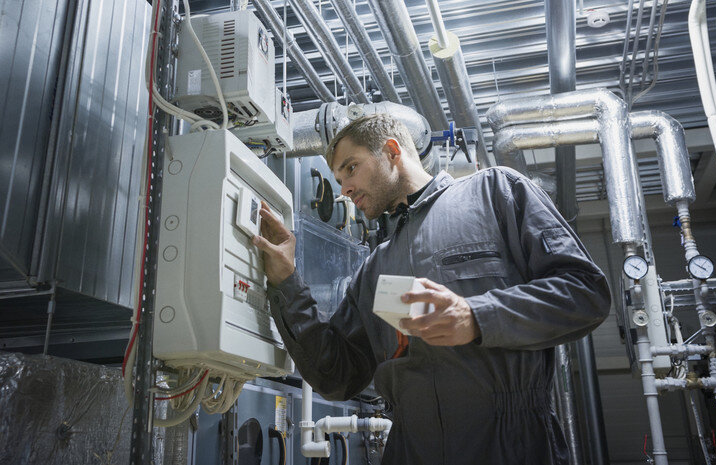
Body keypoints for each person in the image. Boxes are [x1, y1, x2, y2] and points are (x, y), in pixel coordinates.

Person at [252, 113, 611, 465]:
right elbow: (334, 375)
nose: (344, 188)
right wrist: (287, 280)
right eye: (338, 177)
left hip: (512, 444)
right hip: (412, 449)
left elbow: (584, 292)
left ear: (392, 151)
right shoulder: (375, 268)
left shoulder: (494, 192)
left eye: (351, 167)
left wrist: (476, 316)